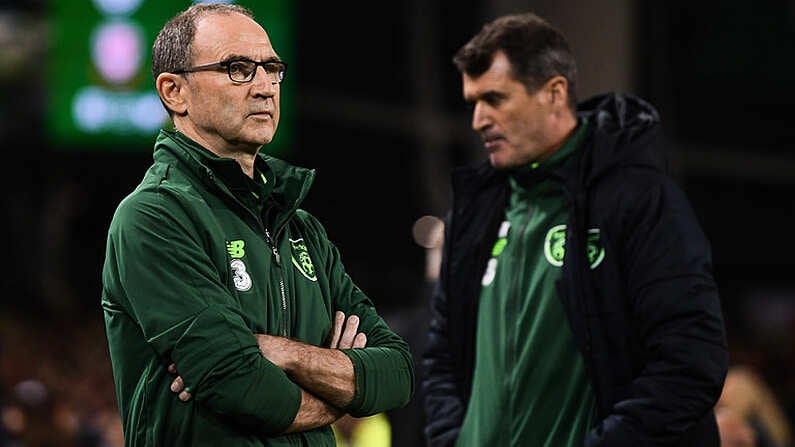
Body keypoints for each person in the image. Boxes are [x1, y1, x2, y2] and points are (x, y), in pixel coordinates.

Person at [100, 4, 414, 446]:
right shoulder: (154, 217)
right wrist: (341, 393)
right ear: (175, 92)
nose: (266, 87)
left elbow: (398, 371)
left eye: (271, 69)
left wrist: (283, 354)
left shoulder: (302, 228)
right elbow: (241, 386)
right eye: (238, 69)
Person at [422, 12, 728, 446]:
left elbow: (690, 364)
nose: (478, 120)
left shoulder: (636, 199)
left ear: (554, 93)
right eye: (473, 102)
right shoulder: (476, 212)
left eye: (494, 99)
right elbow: (441, 359)